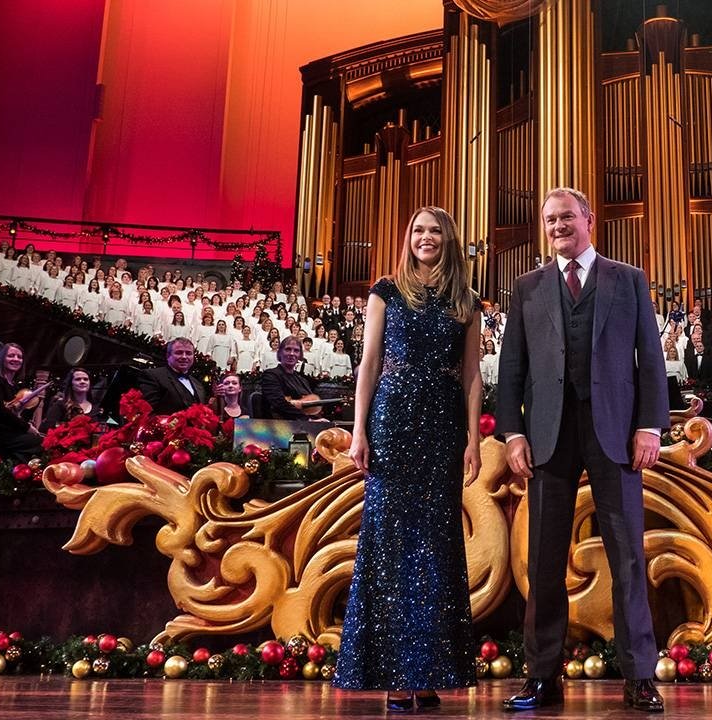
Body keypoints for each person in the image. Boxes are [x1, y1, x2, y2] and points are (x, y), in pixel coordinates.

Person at [495, 187, 667, 713]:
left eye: (566, 216)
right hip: (547, 434)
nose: (557, 226)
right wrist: (512, 432)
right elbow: (512, 370)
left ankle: (639, 676)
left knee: (628, 558)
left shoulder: (628, 279)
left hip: (613, 431)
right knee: (543, 561)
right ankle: (543, 677)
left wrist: (650, 426)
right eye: (549, 220)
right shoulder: (525, 288)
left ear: (589, 219)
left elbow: (650, 360)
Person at [336, 206, 482, 711]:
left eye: (435, 231)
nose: (426, 237)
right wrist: (359, 431)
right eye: (418, 230)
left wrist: (472, 439)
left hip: (442, 426)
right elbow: (369, 364)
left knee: (437, 547)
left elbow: (471, 376)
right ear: (408, 237)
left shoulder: (466, 299)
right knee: (391, 546)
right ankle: (396, 673)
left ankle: (431, 671)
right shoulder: (385, 291)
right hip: (393, 421)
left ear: (449, 239)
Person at [0, 343, 45, 459]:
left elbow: (15, 415)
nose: (16, 359)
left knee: (43, 440)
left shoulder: (13, 387)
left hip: (9, 435)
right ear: (1, 359)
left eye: (19, 357)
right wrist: (26, 427)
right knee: (41, 443)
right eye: (11, 356)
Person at [137, 338, 208, 415]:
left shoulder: (198, 384)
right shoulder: (153, 376)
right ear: (168, 356)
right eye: (179, 353)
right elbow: (147, 413)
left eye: (188, 353)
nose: (184, 357)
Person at [258, 336, 319, 420]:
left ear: (300, 355)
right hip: (279, 426)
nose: (292, 354)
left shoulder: (302, 379)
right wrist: (308, 420)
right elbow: (279, 404)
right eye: (288, 349)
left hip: (302, 424)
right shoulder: (270, 375)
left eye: (296, 350)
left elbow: (310, 407)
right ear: (280, 353)